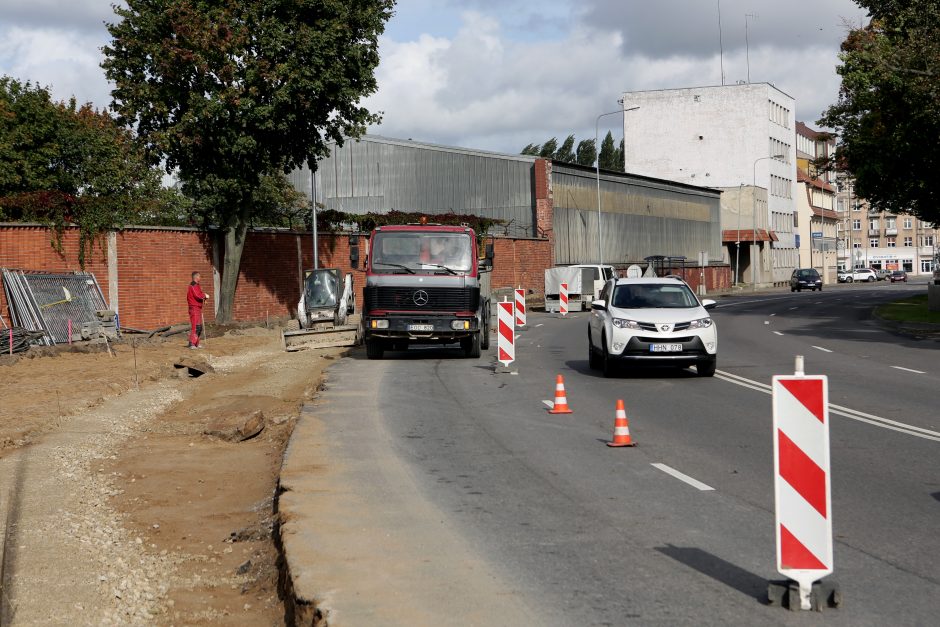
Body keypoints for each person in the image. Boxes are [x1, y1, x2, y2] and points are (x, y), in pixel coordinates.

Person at [187, 271, 210, 348]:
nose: (200, 278)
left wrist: (204, 298)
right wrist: (205, 296)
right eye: (199, 276)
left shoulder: (197, 285)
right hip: (194, 308)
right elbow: (197, 295)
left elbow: (199, 295)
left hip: (197, 308)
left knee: (199, 326)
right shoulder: (193, 285)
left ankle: (196, 343)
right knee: (196, 326)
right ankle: (192, 343)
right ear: (196, 277)